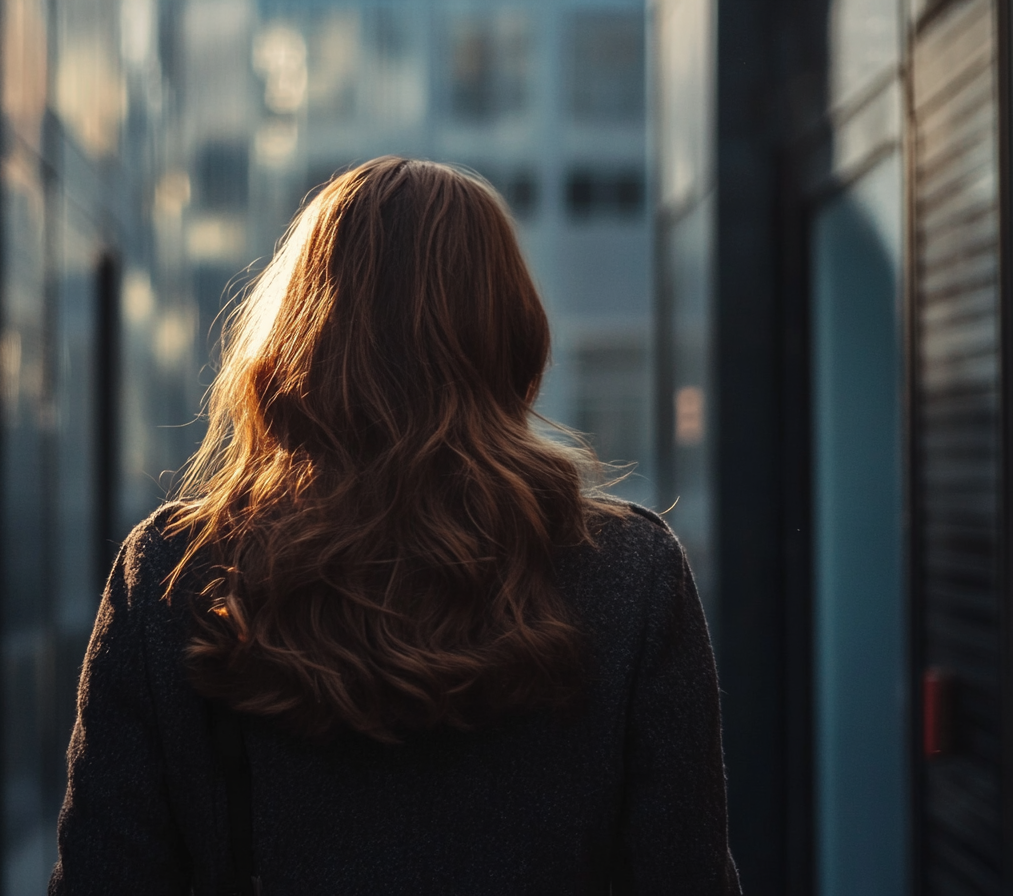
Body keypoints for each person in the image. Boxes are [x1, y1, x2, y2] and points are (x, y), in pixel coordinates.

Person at [49, 157, 741, 895]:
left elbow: (105, 874)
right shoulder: (629, 573)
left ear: (297, 340)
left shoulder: (177, 573)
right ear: (511, 334)